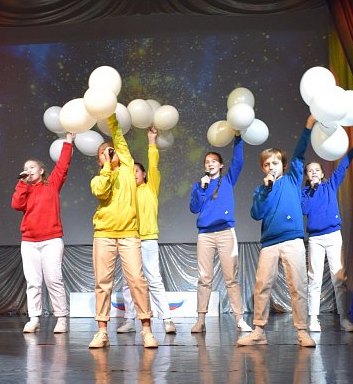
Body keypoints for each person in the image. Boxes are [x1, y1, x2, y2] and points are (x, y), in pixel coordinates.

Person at [238, 115, 316, 348]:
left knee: (298, 285)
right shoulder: (261, 189)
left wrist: (308, 126)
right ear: (263, 168)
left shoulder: (292, 179)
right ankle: (259, 331)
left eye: (275, 163)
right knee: (262, 285)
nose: (271, 167)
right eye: (267, 164)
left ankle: (302, 331)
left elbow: (300, 153)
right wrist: (265, 190)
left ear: (283, 165)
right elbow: (256, 214)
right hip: (269, 243)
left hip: (292, 240)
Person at [89, 114, 158, 349]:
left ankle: (146, 330)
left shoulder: (128, 168)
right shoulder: (99, 179)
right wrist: (107, 167)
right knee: (103, 282)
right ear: (99, 160)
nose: (109, 153)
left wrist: (110, 117)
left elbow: (118, 138)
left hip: (129, 233)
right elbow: (101, 191)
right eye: (103, 153)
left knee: (137, 280)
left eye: (112, 150)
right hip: (104, 234)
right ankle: (102, 332)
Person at [189, 132, 252, 333]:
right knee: (204, 278)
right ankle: (200, 320)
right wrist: (201, 188)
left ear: (221, 165)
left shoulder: (227, 180)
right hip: (205, 235)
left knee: (231, 278)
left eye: (214, 161)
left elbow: (239, 161)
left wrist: (238, 138)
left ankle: (239, 319)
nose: (210, 164)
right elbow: (194, 208)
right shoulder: (199, 185)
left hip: (225, 232)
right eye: (207, 162)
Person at [11, 133, 74, 334]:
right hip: (29, 242)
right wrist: (22, 183)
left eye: (32, 167)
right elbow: (16, 204)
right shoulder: (25, 188)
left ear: (41, 170)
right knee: (33, 282)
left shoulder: (51, 184)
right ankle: (34, 318)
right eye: (26, 168)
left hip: (51, 240)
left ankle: (61, 318)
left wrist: (68, 143)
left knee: (53, 279)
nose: (29, 170)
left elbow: (63, 165)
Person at [116, 127, 176, 335]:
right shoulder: (126, 193)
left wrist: (151, 142)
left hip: (148, 239)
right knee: (128, 281)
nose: (133, 174)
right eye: (131, 171)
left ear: (143, 174)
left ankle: (167, 319)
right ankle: (129, 319)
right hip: (129, 240)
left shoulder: (151, 188)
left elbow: (153, 164)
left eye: (137, 171)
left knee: (154, 278)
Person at [300, 147, 353, 333]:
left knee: (339, 278)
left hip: (333, 235)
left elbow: (342, 167)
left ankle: (344, 318)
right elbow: (304, 210)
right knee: (314, 278)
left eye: (317, 170)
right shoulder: (304, 193)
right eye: (310, 171)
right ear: (307, 176)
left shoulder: (330, 186)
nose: (314, 173)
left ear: (322, 173)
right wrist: (311, 191)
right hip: (315, 238)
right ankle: (313, 319)